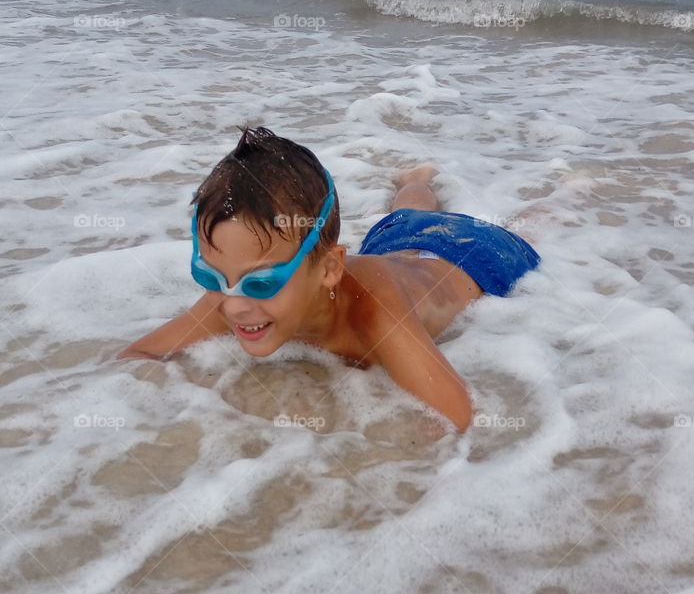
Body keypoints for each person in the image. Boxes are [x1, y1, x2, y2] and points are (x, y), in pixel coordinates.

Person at [120, 126, 540, 430]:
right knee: (409, 214)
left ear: (329, 269)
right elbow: (136, 357)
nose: (232, 305)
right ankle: (416, 179)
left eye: (261, 282)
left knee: (526, 230)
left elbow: (458, 416)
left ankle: (567, 196)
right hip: (395, 246)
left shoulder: (376, 317)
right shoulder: (235, 293)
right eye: (210, 277)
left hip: (478, 256)